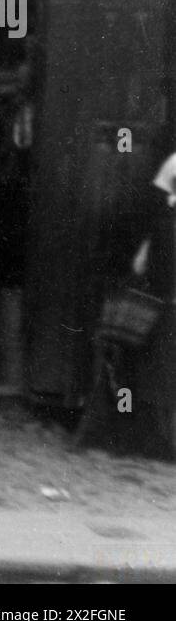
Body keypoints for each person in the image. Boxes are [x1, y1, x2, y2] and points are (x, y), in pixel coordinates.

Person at [76, 153, 176, 461]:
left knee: (135, 377)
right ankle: (157, 442)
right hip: (166, 310)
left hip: (152, 309)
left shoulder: (162, 222)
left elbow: (139, 265)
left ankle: (128, 437)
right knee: (159, 381)